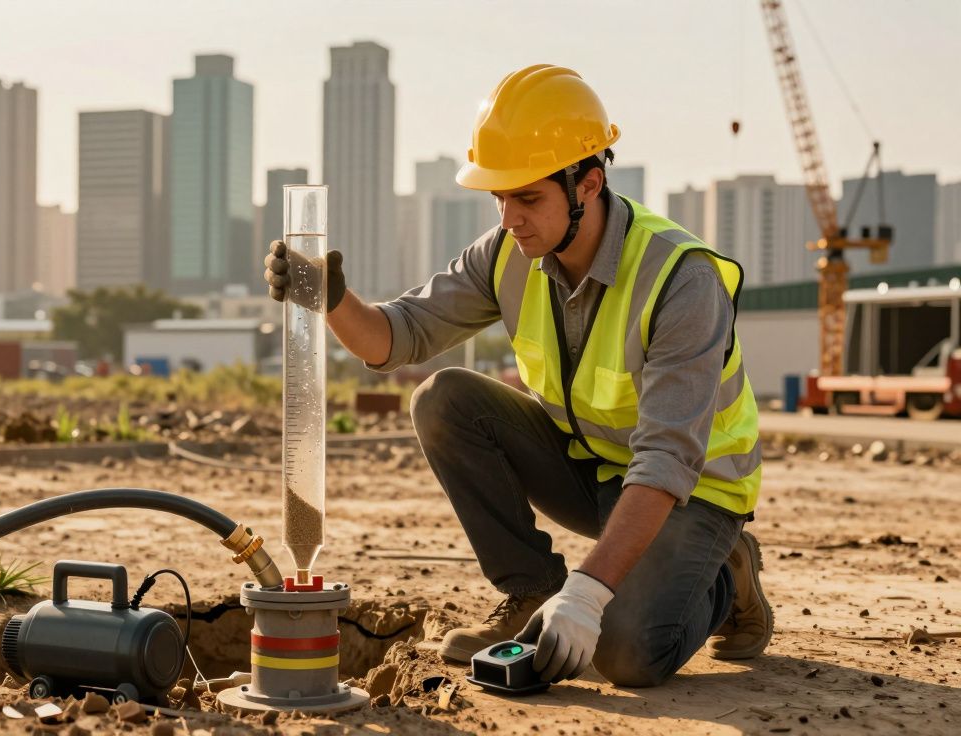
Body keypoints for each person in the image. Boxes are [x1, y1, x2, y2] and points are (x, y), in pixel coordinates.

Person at [264, 64, 771, 687]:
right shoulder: (508, 251)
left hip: (691, 491)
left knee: (625, 655)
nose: (509, 218)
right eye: (499, 198)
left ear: (588, 184)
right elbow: (397, 336)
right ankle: (531, 588)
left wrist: (588, 595)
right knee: (444, 399)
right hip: (594, 468)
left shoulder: (680, 279)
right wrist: (331, 298)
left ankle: (725, 576)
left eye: (528, 198)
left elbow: (667, 459)